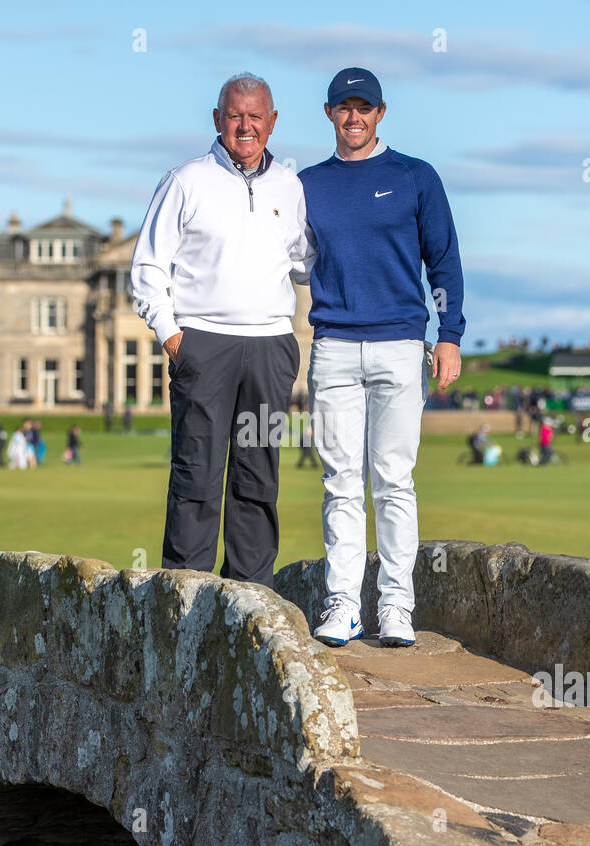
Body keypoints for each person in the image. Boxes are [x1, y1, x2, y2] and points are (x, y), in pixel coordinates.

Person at [300, 67, 464, 648]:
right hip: (334, 347)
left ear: (380, 112)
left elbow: (443, 261)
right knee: (340, 481)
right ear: (329, 114)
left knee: (394, 480)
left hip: (399, 344)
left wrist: (451, 334)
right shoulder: (307, 184)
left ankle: (396, 604)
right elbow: (289, 257)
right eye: (344, 108)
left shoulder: (416, 177)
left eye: (363, 107)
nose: (354, 117)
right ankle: (343, 602)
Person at [131, 72, 312, 590]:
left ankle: (251, 597)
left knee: (258, 476)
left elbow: (306, 263)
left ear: (272, 122)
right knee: (197, 474)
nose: (245, 126)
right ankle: (186, 601)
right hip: (204, 346)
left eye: (256, 116)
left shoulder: (290, 186)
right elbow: (147, 267)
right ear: (217, 119)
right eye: (235, 115)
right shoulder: (185, 181)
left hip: (271, 347)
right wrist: (172, 335)